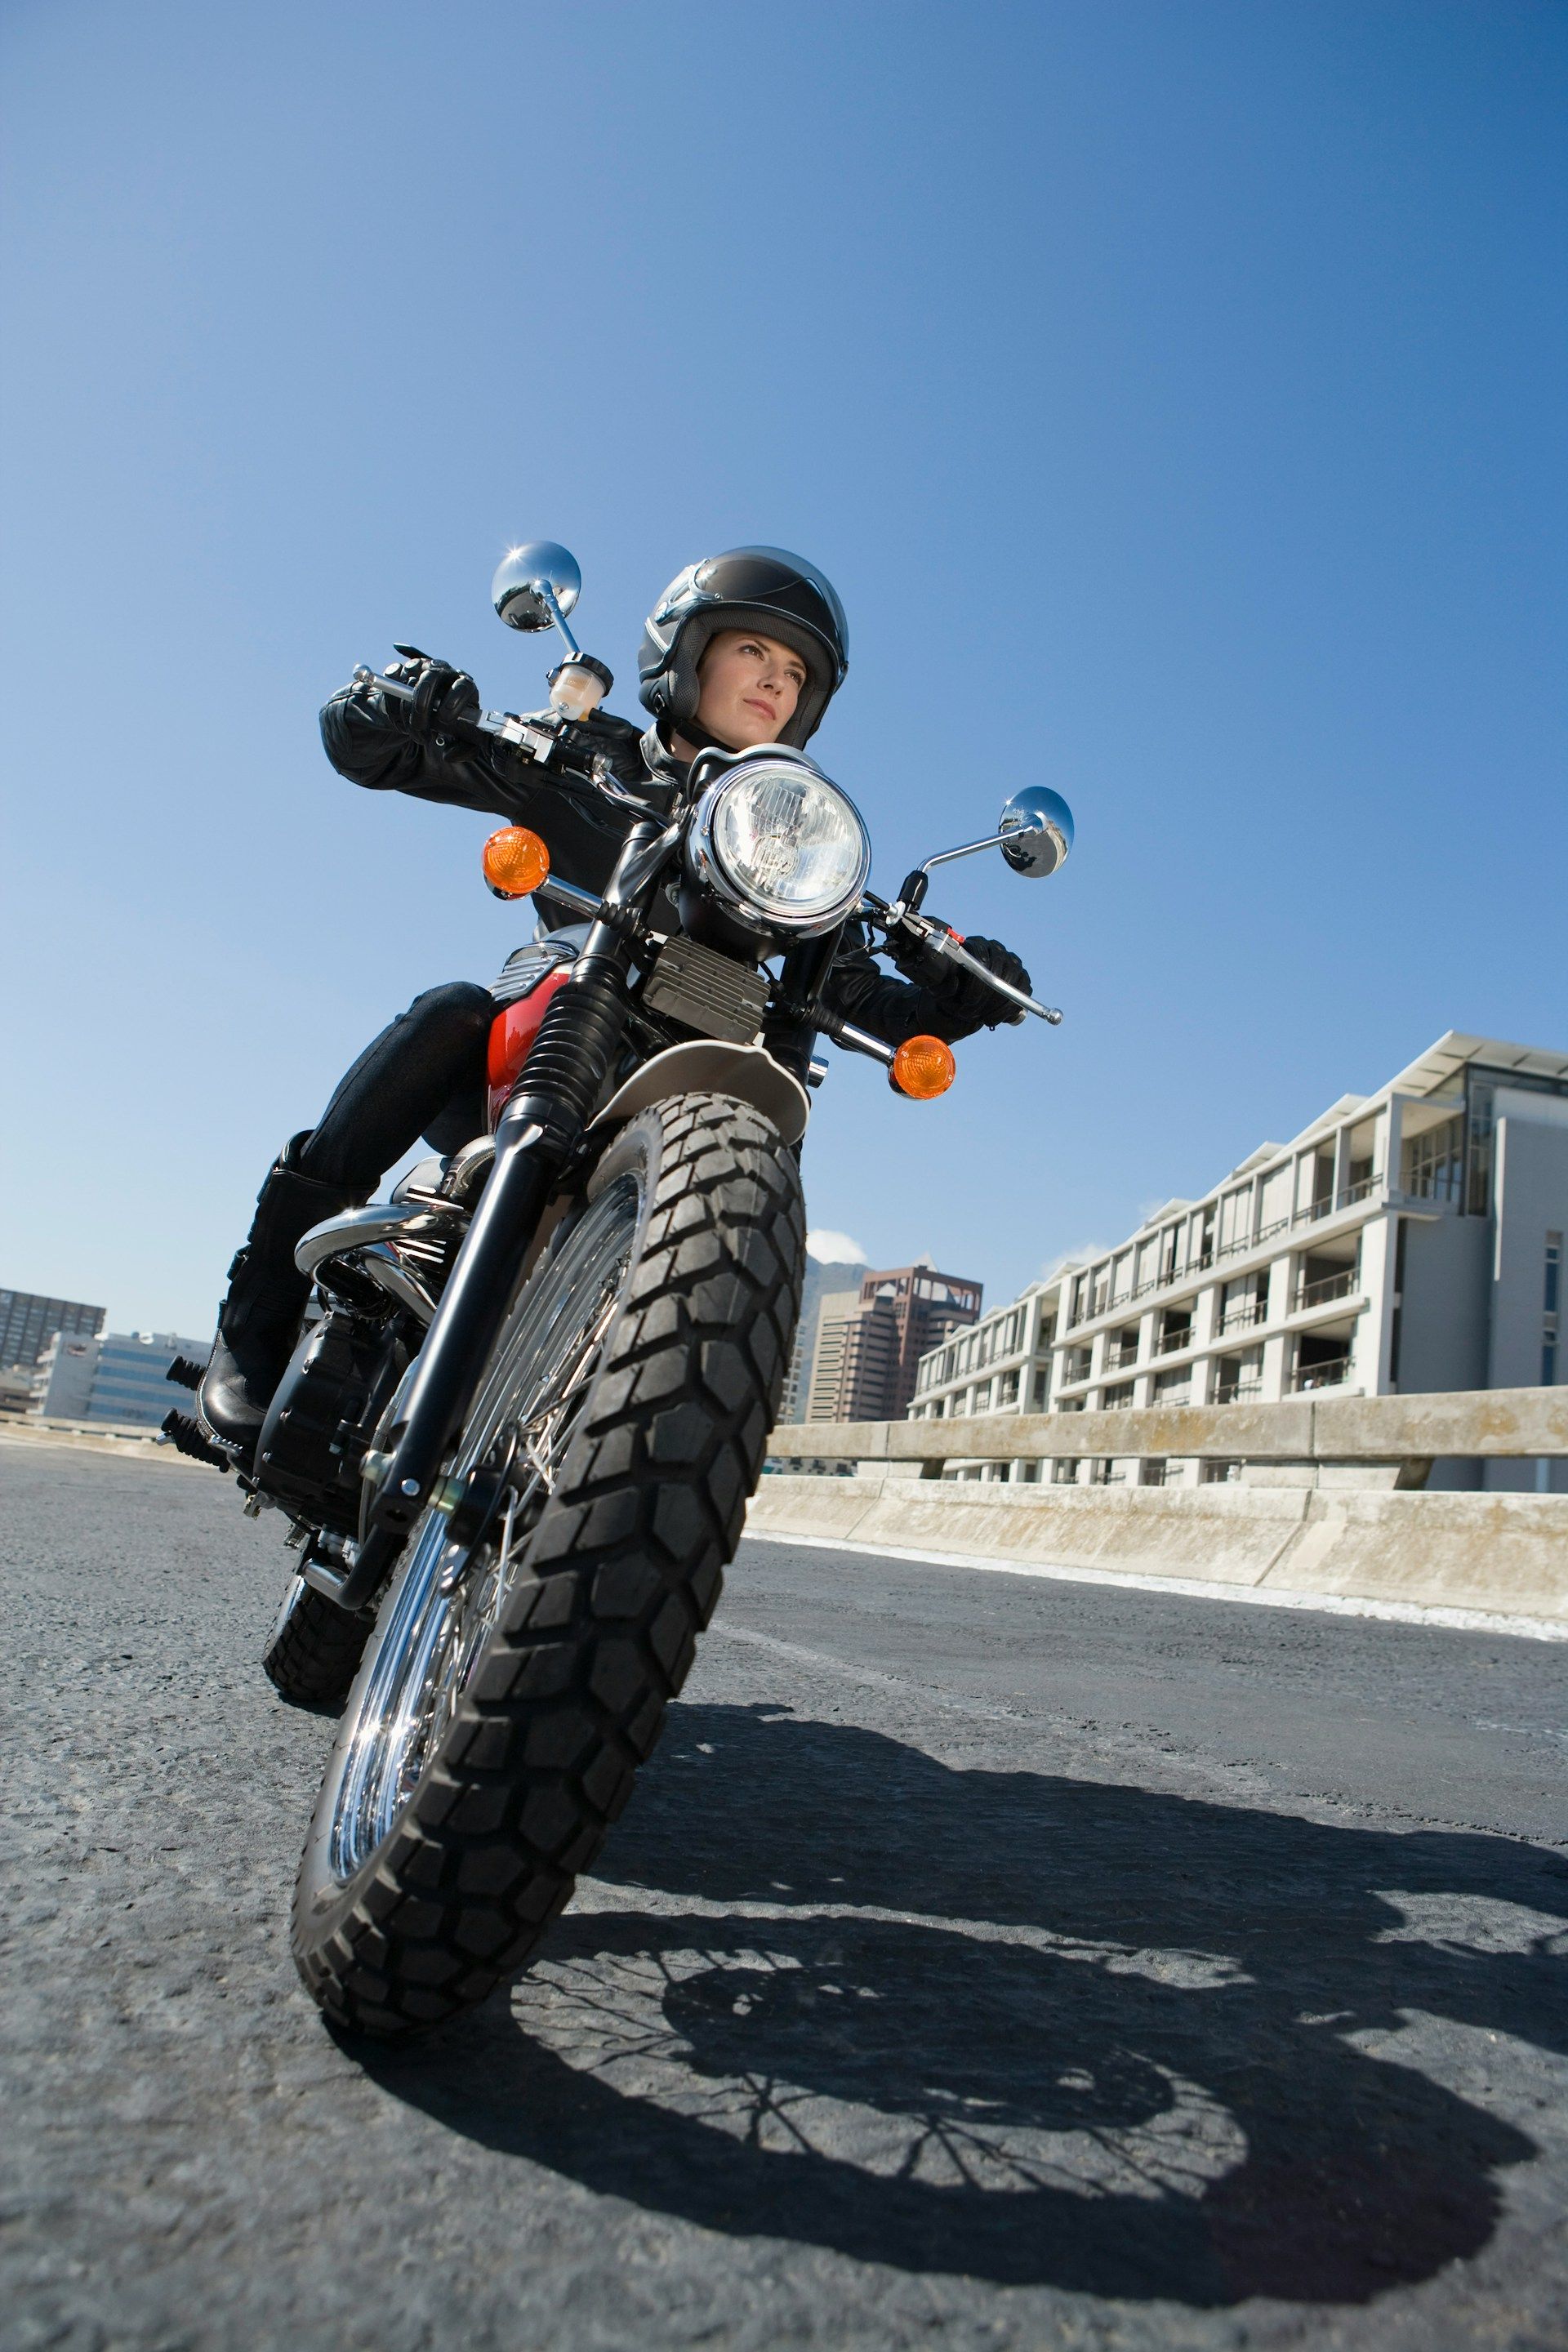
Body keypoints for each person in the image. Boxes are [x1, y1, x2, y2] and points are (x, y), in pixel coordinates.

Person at [200, 548, 1031, 1451]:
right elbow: (374, 751)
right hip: (546, 1037)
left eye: (796, 673)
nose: (775, 682)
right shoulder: (588, 756)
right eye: (755, 650)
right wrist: (404, 703)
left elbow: (864, 1002)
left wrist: (963, 992)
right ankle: (258, 1316)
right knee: (449, 1012)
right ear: (685, 652)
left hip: (695, 1090)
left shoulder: (792, 845)